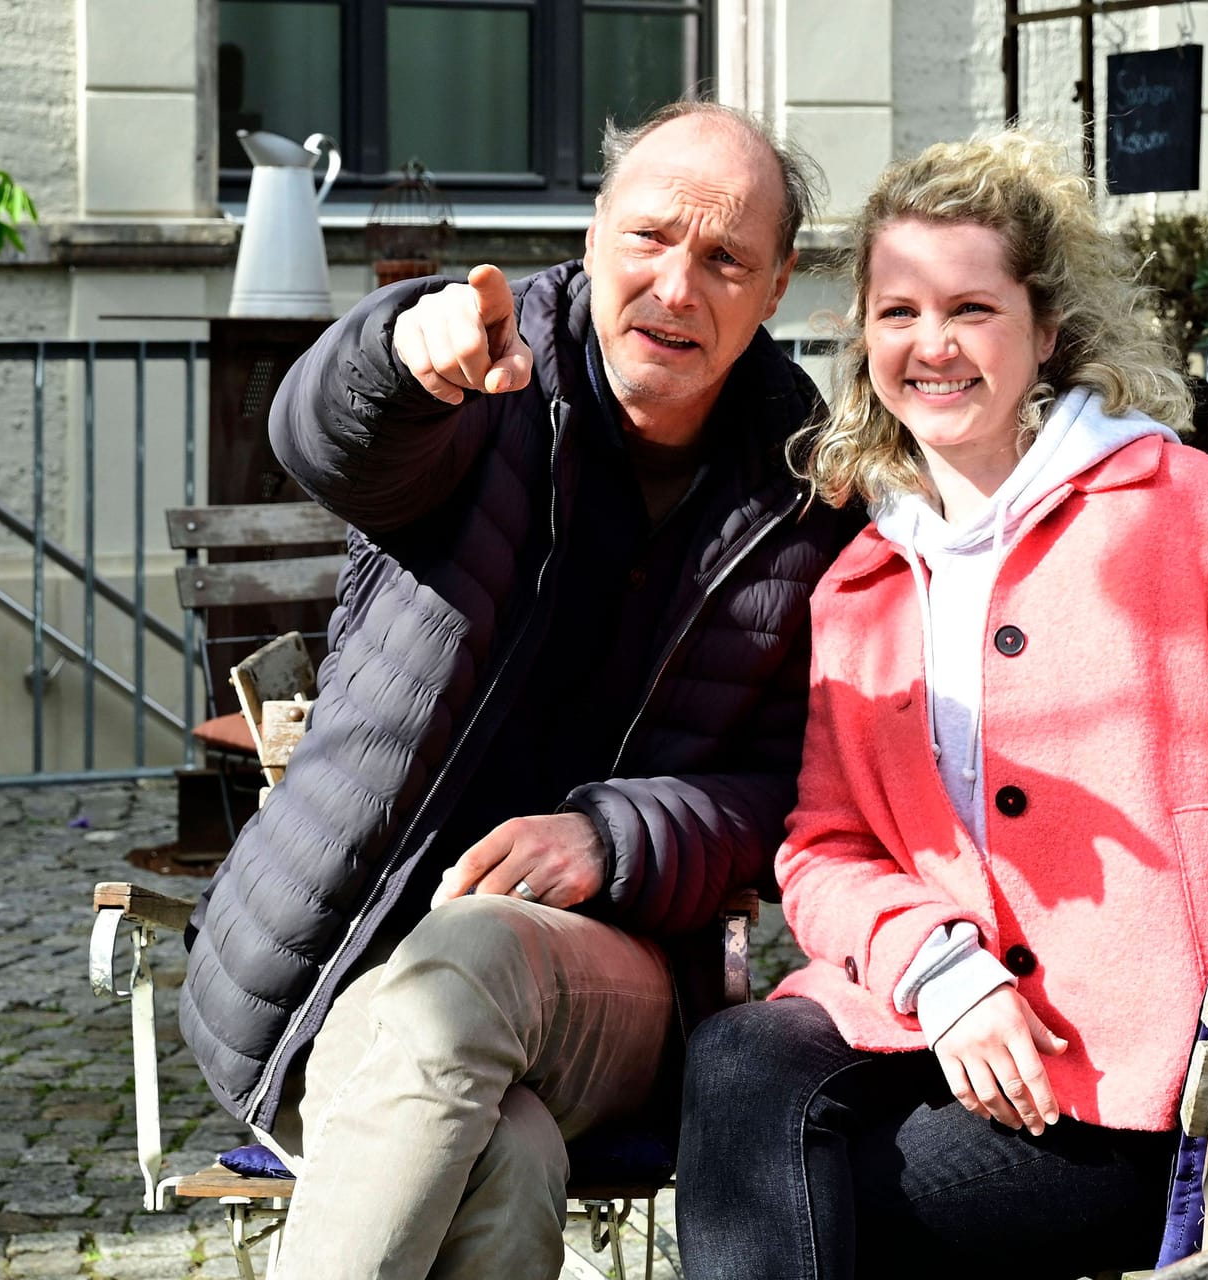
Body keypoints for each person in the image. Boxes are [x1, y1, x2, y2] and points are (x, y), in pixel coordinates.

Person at [675, 130, 1208, 1280]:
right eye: (897, 312)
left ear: (1044, 331)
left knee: (797, 1199)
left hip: (1147, 1089)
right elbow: (826, 847)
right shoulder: (859, 581)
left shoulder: (1191, 512)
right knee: (742, 1062)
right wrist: (941, 972)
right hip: (938, 1023)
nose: (930, 344)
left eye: (970, 309)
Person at [177, 102, 857, 1280]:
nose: (676, 286)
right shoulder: (488, 371)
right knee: (511, 1161)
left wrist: (610, 835)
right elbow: (323, 436)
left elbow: (781, 790)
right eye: (649, 237)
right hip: (343, 957)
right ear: (592, 233)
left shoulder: (810, 489)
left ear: (780, 283)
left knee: (473, 965)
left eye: (726, 259)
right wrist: (401, 356)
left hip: (620, 972)